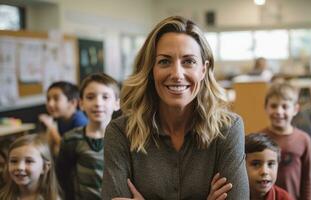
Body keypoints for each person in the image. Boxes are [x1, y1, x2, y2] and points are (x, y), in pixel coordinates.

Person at [102, 16, 249, 200]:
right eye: (164, 61)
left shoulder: (228, 129)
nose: (177, 74)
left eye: (188, 61)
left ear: (203, 69)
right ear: (150, 69)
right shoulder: (120, 133)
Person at [56, 73, 120, 200]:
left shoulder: (126, 139)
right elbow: (62, 179)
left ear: (117, 104)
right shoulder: (71, 139)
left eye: (105, 97)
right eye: (90, 97)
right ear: (81, 104)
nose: (98, 103)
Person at [261, 82, 311, 200]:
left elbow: (306, 178)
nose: (279, 111)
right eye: (273, 106)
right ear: (266, 107)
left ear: (295, 109)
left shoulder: (304, 140)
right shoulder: (259, 139)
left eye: (285, 106)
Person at [0, 134, 61, 200]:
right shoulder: (3, 196)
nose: (20, 167)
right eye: (14, 161)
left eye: (29, 161)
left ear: (45, 167)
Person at [39, 81, 88, 154]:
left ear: (72, 103)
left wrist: (51, 127)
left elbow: (69, 150)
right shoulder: (59, 118)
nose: (50, 104)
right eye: (48, 99)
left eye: (56, 99)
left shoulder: (80, 121)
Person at [245, 133, 293, 200]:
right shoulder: (231, 195)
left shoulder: (284, 198)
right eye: (256, 164)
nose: (264, 171)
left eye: (270, 164)